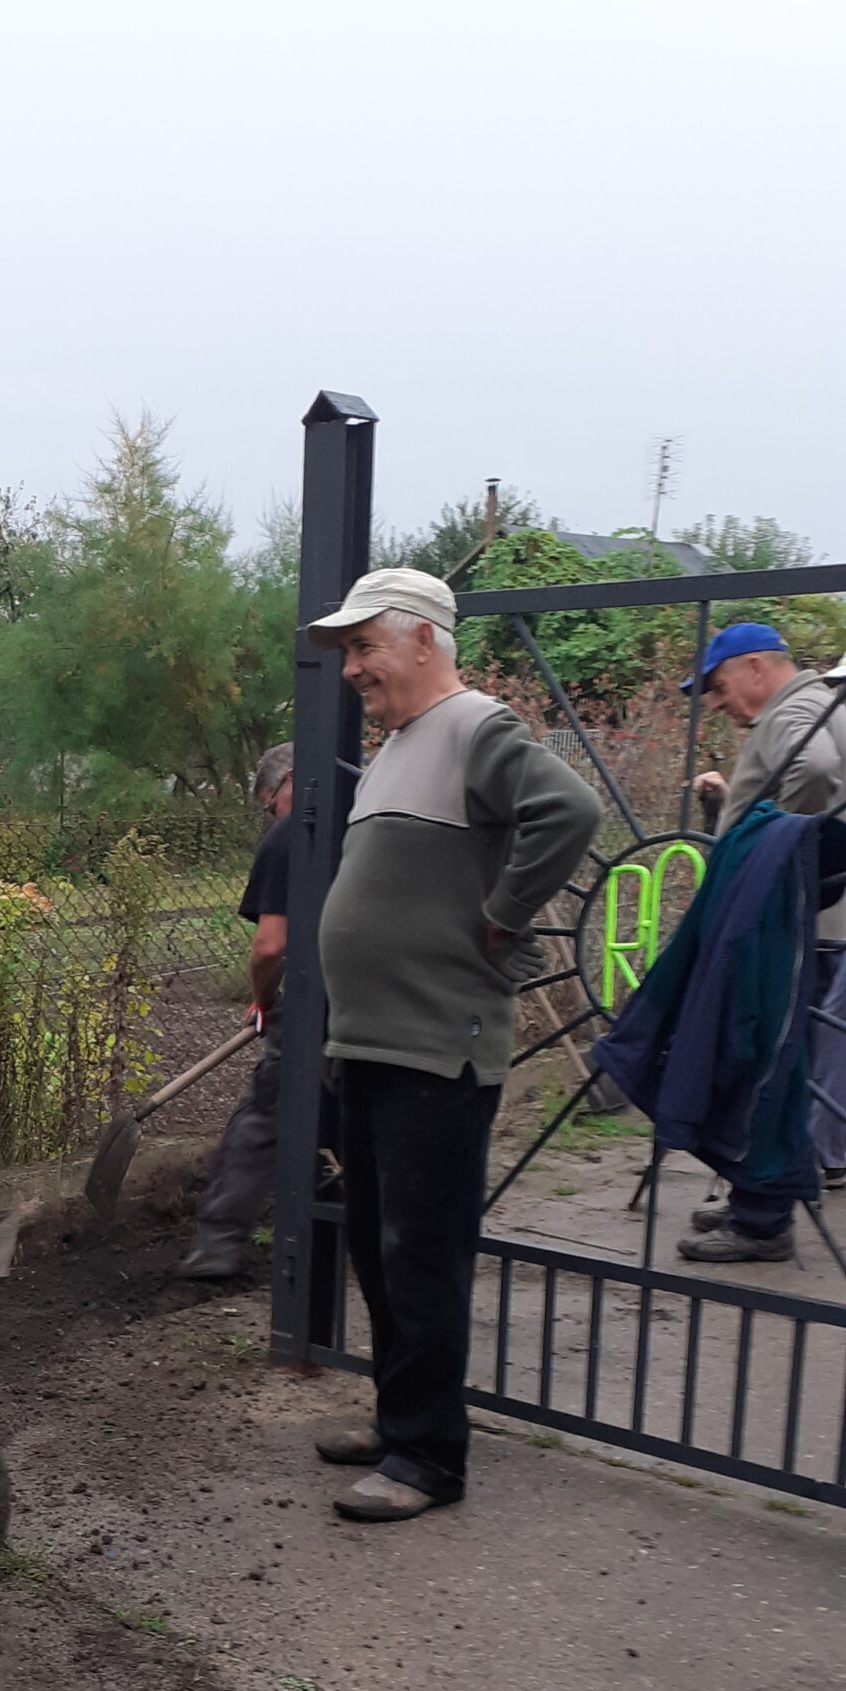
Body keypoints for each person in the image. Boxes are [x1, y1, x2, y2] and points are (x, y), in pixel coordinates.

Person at [307, 567, 600, 1523]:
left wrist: (505, 913)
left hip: (441, 1045)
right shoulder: (399, 748)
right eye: (347, 652)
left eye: (365, 646)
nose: (352, 667)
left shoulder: (476, 727)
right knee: (378, 1247)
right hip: (375, 1042)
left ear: (425, 639)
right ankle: (401, 1419)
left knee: (421, 1256)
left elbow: (570, 811)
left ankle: (429, 1459)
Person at [678, 625, 846, 1260]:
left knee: (763, 1063)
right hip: (810, 920)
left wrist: (772, 850)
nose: (716, 702)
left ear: (755, 667)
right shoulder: (817, 706)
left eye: (718, 686)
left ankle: (761, 1220)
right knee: (782, 1065)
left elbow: (815, 769)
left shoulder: (791, 709)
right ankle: (758, 1199)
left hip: (782, 918)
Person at [178, 745, 293, 1279]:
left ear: (291, 781)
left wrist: (266, 1001)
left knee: (262, 1118)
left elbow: (270, 947)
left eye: (270, 806)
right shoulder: (372, 814)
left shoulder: (291, 837)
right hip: (387, 1006)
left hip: (320, 1012)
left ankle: (217, 1243)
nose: (272, 818)